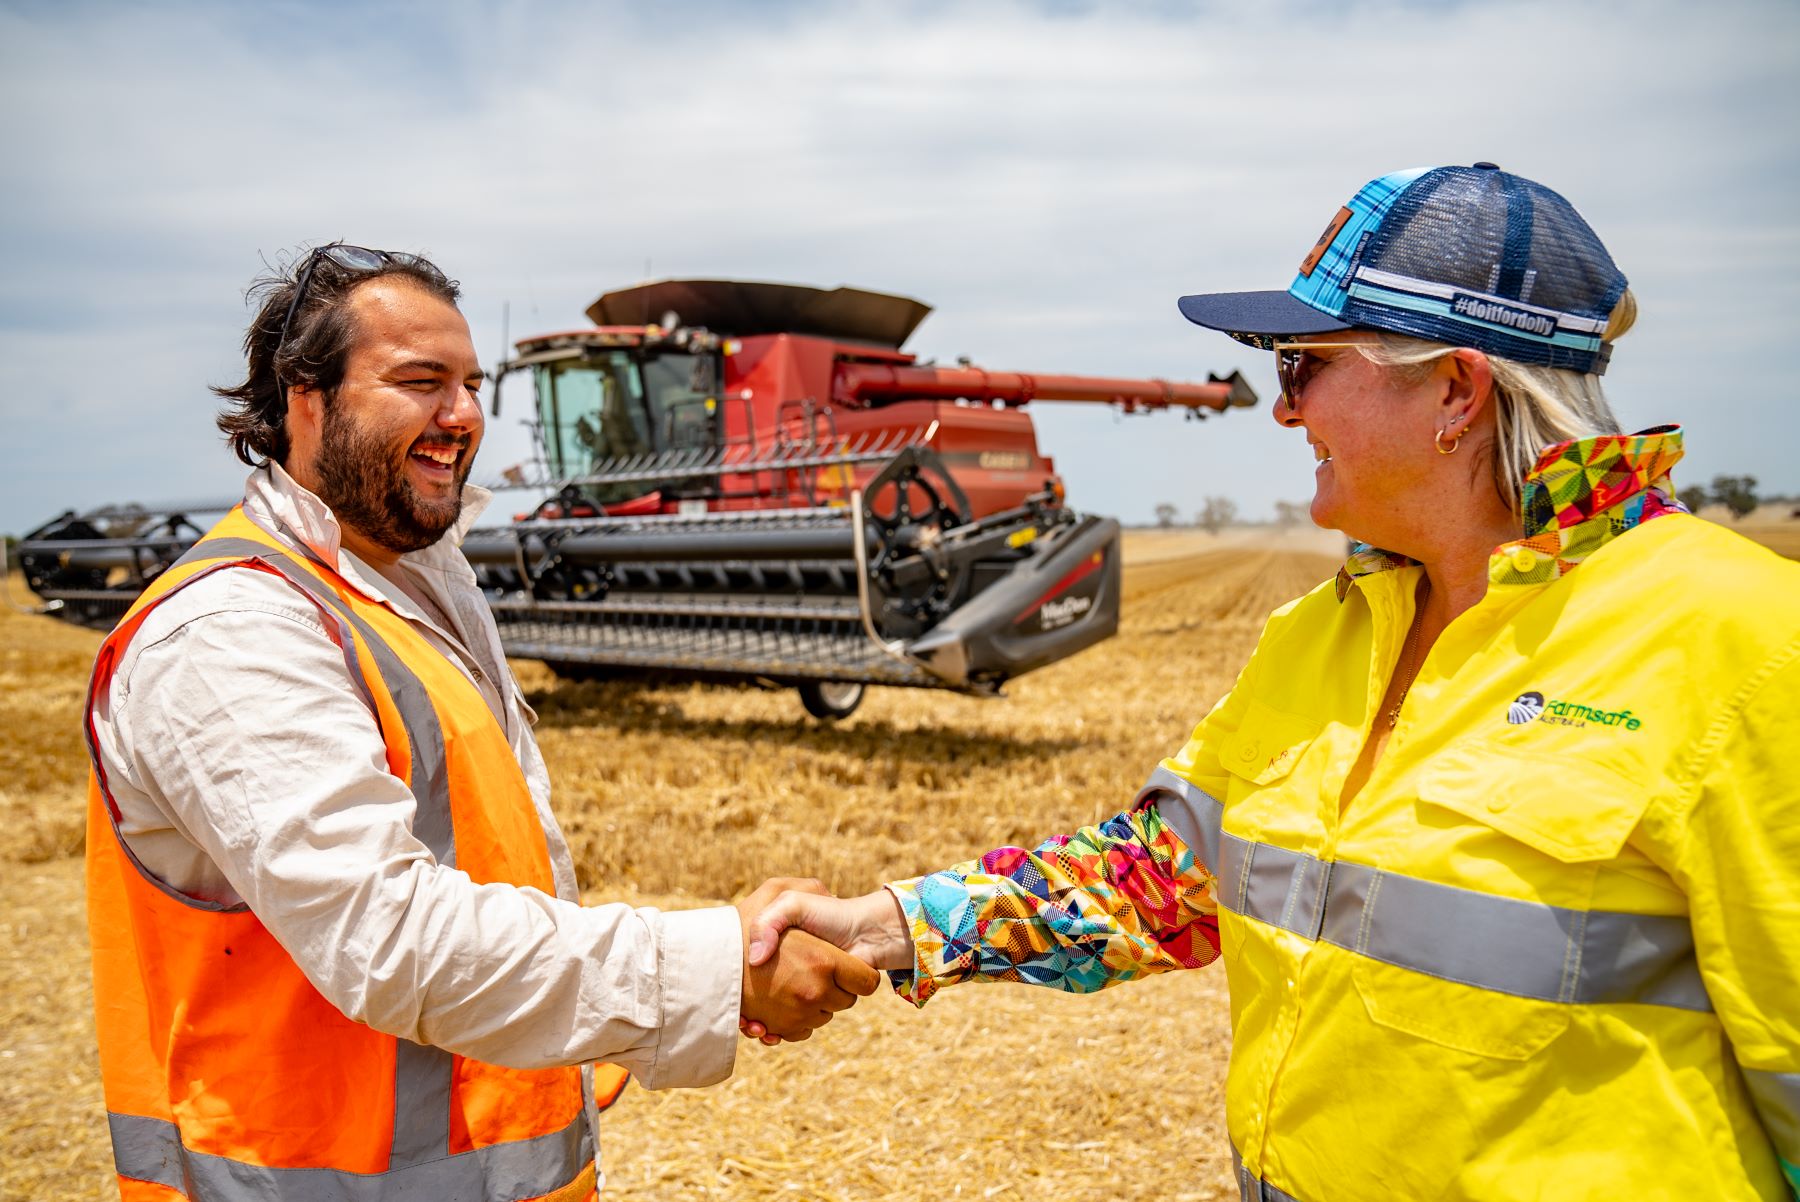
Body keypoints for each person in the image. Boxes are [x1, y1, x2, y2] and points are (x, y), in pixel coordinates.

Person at [746, 165, 1800, 1200]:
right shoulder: (1320, 633)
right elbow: (1160, 881)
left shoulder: (1746, 644)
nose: (1283, 412)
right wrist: (885, 923)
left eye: (1303, 367)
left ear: (1455, 390)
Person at [83, 244, 878, 1201]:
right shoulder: (233, 631)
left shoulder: (408, 586)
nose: (461, 416)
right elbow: (389, 938)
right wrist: (712, 965)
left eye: (471, 384)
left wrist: (580, 1040)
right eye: (419, 382)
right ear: (306, 398)